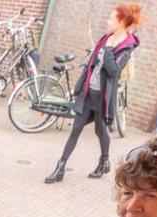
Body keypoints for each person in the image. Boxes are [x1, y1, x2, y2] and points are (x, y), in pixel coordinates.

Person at [44, 5, 140, 183]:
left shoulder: (126, 47)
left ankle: (104, 161)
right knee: (75, 130)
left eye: (111, 19)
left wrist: (109, 53)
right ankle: (60, 167)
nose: (107, 21)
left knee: (100, 130)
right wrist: (79, 87)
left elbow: (114, 72)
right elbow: (91, 65)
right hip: (89, 95)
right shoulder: (105, 39)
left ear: (121, 22)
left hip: (103, 99)